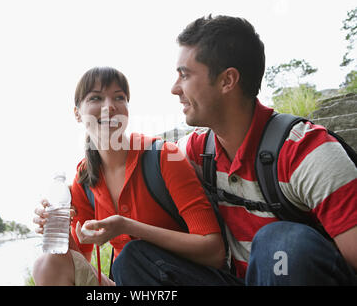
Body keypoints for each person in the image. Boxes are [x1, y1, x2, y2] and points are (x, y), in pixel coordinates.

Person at [112, 14, 357, 285]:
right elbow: (137, 160)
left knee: (279, 243)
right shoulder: (197, 151)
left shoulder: (307, 152)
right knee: (135, 258)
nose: (174, 88)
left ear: (228, 80)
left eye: (185, 75)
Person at [32, 66, 226, 286]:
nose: (110, 106)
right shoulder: (85, 178)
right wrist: (58, 231)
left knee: (131, 258)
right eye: (96, 98)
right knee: (47, 265)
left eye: (119, 97)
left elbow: (214, 251)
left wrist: (128, 226)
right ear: (77, 113)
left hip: (184, 279)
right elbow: (80, 259)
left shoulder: (164, 157)